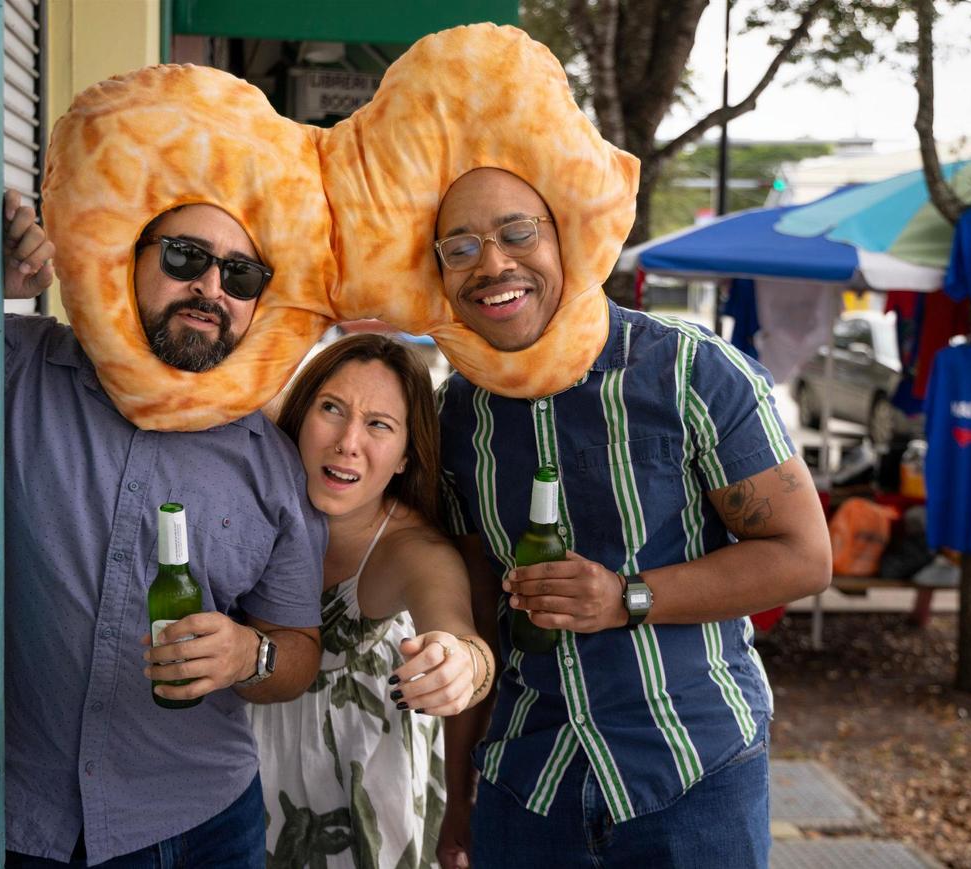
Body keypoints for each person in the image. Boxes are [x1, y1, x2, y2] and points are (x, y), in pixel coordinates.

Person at [432, 168, 834, 868]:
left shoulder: (692, 370)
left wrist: (628, 598)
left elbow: (803, 554)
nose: (492, 263)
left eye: (517, 233)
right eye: (460, 247)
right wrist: (458, 790)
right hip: (527, 782)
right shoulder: (457, 415)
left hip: (692, 772)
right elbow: (474, 613)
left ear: (568, 238)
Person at [2, 190, 326, 867]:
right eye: (186, 256)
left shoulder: (273, 466)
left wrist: (250, 655)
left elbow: (298, 648)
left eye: (241, 275)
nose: (211, 286)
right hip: (14, 810)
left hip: (198, 825)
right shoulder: (17, 364)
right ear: (132, 261)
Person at [249, 333, 494, 868]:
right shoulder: (253, 496)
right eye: (331, 409)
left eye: (379, 425)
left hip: (364, 813)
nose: (347, 441)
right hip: (241, 796)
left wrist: (460, 665)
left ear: (406, 456)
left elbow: (460, 636)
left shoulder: (413, 551)